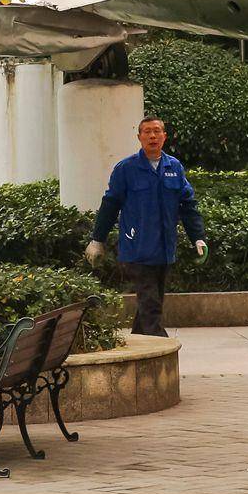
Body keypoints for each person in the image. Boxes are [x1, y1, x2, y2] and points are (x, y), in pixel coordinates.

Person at [85, 117, 208, 337]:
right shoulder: (126, 169)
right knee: (151, 304)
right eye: (147, 132)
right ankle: (160, 348)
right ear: (139, 137)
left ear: (164, 136)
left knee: (151, 302)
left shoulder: (174, 167)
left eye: (157, 131)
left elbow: (188, 205)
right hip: (137, 249)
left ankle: (139, 344)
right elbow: (110, 204)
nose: (153, 136)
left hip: (164, 248)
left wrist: (197, 237)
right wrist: (97, 240)